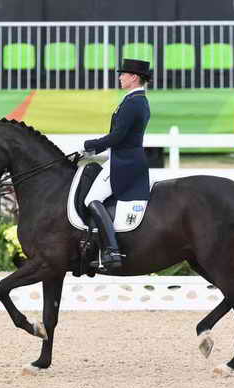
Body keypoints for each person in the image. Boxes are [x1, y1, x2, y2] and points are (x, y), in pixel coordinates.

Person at [81, 59, 151, 271]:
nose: (120, 77)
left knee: (91, 199)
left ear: (134, 77)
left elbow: (118, 136)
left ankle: (111, 251)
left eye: (123, 74)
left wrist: (91, 145)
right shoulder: (136, 100)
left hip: (124, 163)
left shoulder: (133, 103)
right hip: (126, 159)